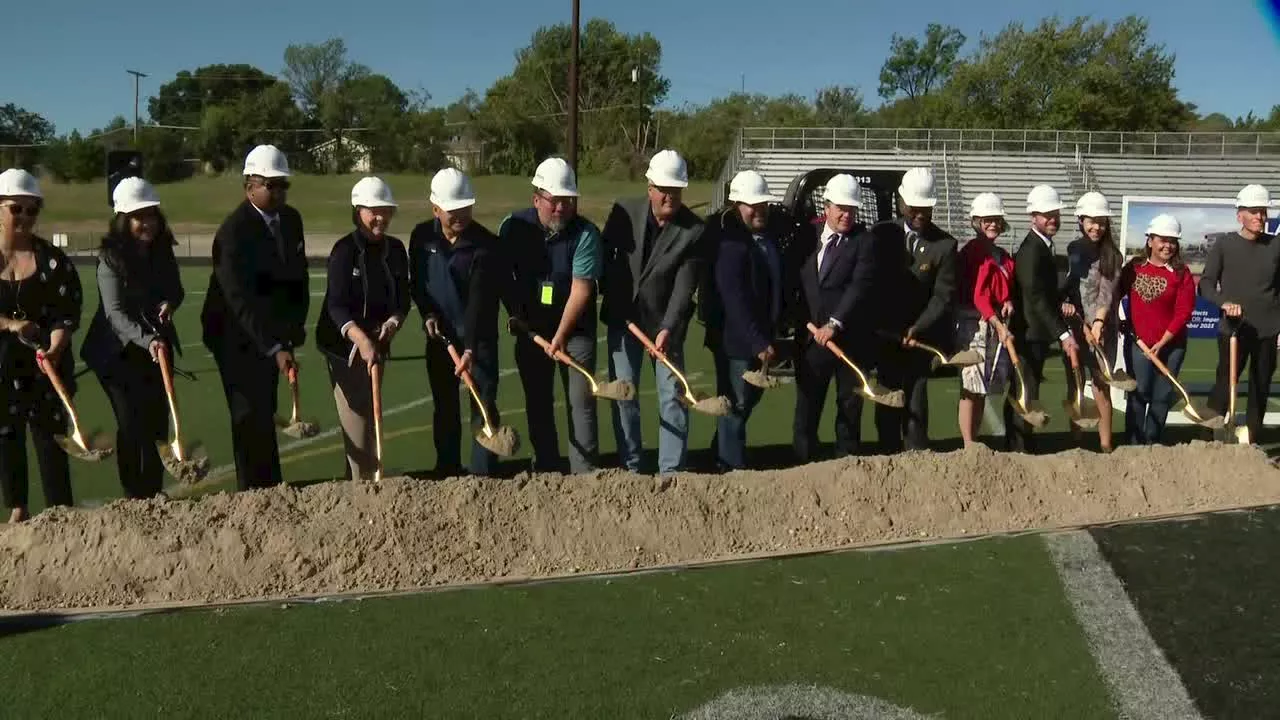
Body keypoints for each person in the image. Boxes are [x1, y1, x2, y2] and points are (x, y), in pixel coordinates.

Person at [200, 145, 310, 491]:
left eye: (283, 185)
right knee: (247, 414)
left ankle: (271, 486)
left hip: (272, 332)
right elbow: (238, 299)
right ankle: (252, 494)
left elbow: (298, 278)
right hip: (233, 333)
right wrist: (274, 345)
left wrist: (291, 332)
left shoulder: (291, 221)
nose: (278, 192)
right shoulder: (233, 233)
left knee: (266, 408)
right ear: (250, 186)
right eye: (271, 185)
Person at [600, 149, 705, 476]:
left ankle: (671, 471)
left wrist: (667, 329)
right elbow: (606, 260)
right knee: (624, 395)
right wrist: (614, 300)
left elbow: (684, 287)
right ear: (650, 188)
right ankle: (630, 467)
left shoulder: (693, 230)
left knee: (672, 398)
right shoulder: (623, 212)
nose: (669, 196)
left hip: (665, 327)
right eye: (664, 189)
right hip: (624, 321)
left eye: (676, 190)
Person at [81, 177, 184, 500]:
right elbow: (115, 314)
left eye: (152, 214)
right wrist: (148, 340)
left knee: (156, 419)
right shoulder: (110, 259)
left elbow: (175, 288)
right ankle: (132, 494)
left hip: (152, 347)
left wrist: (171, 302)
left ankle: (154, 490)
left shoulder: (163, 249)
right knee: (130, 422)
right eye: (140, 217)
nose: (148, 223)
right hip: (115, 353)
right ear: (124, 220)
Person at [499, 157, 603, 474]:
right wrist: (515, 313)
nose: (561, 208)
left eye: (568, 201)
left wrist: (559, 336)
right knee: (538, 401)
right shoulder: (513, 227)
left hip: (576, 331)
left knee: (580, 401)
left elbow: (581, 290)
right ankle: (546, 468)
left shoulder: (586, 234)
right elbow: (504, 277)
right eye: (554, 201)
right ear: (537, 199)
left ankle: (584, 474)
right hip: (532, 328)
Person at [0, 169, 83, 522]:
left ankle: (60, 512)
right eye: (16, 208)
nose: (25, 217)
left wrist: (56, 346)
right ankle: (18, 507)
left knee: (51, 439)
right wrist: (11, 325)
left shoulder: (53, 261)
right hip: (3, 367)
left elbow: (67, 313)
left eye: (32, 210)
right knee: (7, 438)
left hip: (45, 366)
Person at [315, 177, 409, 481]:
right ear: (358, 212)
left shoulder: (395, 250)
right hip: (345, 349)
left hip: (377, 346)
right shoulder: (344, 251)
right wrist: (361, 340)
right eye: (373, 211)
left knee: (370, 419)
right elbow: (336, 306)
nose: (380, 218)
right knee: (357, 426)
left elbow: (402, 300)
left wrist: (392, 325)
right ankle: (363, 489)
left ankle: (358, 486)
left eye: (385, 211)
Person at [409, 168, 501, 476]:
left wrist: (471, 349)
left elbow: (479, 301)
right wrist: (427, 315)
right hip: (440, 339)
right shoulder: (421, 237)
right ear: (435, 208)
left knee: (483, 407)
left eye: (466, 207)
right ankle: (446, 471)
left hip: (479, 340)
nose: (460, 214)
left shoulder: (485, 244)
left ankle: (483, 477)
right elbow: (418, 285)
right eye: (453, 210)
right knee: (445, 408)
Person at [870, 167, 958, 452]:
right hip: (885, 336)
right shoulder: (881, 234)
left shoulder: (945, 245)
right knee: (885, 404)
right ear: (901, 202)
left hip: (920, 338)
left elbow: (942, 296)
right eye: (914, 208)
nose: (920, 214)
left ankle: (917, 460)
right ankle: (885, 458)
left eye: (926, 209)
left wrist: (917, 327)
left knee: (916, 406)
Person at [791, 174, 877, 463]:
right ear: (826, 207)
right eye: (840, 207)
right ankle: (803, 464)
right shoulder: (807, 237)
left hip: (850, 341)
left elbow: (859, 286)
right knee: (807, 407)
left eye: (851, 209)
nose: (846, 214)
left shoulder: (863, 242)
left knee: (849, 408)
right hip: (812, 340)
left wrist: (834, 324)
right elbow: (796, 282)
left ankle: (846, 466)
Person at [702, 170, 783, 470]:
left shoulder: (764, 236)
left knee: (749, 399)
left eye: (763, 203)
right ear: (736, 205)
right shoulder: (731, 245)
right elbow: (733, 299)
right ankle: (731, 470)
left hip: (759, 335)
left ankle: (719, 453)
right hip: (736, 341)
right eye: (752, 205)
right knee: (735, 405)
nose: (759, 209)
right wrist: (758, 341)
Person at [1200, 183, 1280, 443]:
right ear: (1240, 215)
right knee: (1225, 385)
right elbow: (1206, 284)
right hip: (1234, 330)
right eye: (1254, 212)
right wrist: (1223, 303)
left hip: (1267, 330)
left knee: (1260, 388)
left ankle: (1252, 442)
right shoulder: (1225, 244)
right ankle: (1204, 440)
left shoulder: (1275, 245)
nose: (1260, 217)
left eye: (1263, 212)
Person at [1006, 184, 1079, 453]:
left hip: (1036, 332)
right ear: (1032, 217)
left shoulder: (1043, 247)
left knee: (1027, 389)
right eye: (1046, 214)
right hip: (1029, 333)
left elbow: (1044, 294)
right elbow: (1035, 297)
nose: (1052, 219)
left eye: (1055, 214)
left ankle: (1021, 446)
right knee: (1025, 392)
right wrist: (1063, 333)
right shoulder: (1031, 250)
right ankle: (1019, 450)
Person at [1118, 214, 1195, 445]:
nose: (1167, 245)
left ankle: (1153, 444)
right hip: (1139, 345)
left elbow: (1184, 312)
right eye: (1162, 239)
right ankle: (1132, 445)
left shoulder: (1182, 273)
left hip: (1172, 346)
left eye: (1172, 240)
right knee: (1138, 394)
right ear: (1150, 240)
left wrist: (1162, 343)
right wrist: (1120, 320)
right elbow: (1114, 295)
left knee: (1161, 397)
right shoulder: (1134, 267)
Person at [1060, 191, 1123, 452]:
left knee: (1100, 386)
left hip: (1102, 329)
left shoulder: (1113, 256)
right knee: (1075, 384)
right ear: (1080, 220)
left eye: (1101, 221)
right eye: (1091, 220)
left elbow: (1106, 294)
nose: (1096, 227)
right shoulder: (1073, 249)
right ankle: (1076, 444)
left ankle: (1105, 444)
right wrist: (1066, 303)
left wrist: (1097, 324)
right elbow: (1070, 285)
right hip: (1075, 327)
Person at [955, 192, 1015, 448]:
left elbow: (1001, 289)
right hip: (975, 326)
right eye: (987, 219)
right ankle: (969, 443)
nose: (992, 224)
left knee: (982, 389)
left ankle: (975, 441)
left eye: (996, 219)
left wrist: (1007, 301)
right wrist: (999, 325)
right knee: (971, 386)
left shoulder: (1001, 253)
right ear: (976, 221)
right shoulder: (974, 251)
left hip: (992, 323)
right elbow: (979, 296)